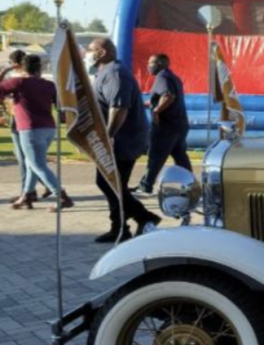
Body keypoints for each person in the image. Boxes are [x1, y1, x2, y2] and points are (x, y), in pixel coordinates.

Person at [86, 38, 161, 242]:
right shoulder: (104, 73)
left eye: (90, 50)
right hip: (117, 139)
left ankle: (145, 217)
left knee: (109, 183)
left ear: (102, 52)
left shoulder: (114, 73)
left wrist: (108, 136)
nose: (87, 54)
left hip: (123, 140)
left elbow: (119, 108)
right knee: (112, 183)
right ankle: (120, 227)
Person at [0, 55, 72, 210]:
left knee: (37, 164)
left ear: (21, 68)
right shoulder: (49, 85)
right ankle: (27, 195)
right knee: (30, 162)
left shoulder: (18, 82)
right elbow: (61, 107)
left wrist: (7, 70)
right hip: (49, 128)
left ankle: (62, 196)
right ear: (40, 68)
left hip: (29, 128)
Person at [137, 54, 191, 194]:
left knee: (156, 155)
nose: (148, 65)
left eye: (150, 62)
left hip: (166, 126)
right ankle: (191, 185)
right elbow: (163, 97)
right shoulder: (173, 77)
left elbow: (168, 96)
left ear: (159, 63)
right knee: (180, 156)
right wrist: (143, 104)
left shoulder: (162, 77)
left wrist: (156, 111)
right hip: (179, 124)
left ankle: (146, 185)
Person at [2, 50, 46, 204]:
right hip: (24, 120)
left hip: (20, 121)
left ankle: (28, 191)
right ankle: (34, 189)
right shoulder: (30, 78)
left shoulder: (18, 79)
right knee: (29, 159)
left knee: (25, 159)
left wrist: (6, 70)